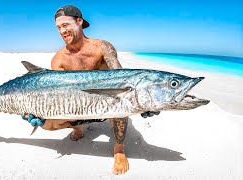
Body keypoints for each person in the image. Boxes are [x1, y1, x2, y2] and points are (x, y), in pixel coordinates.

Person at [23, 5, 158, 175]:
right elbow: (59, 94)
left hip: (108, 102)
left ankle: (119, 150)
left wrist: (144, 103)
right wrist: (38, 111)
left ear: (79, 22)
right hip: (80, 106)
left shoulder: (101, 47)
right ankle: (78, 128)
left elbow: (122, 78)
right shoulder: (59, 60)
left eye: (65, 25)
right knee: (47, 125)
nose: (61, 31)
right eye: (58, 28)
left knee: (120, 102)